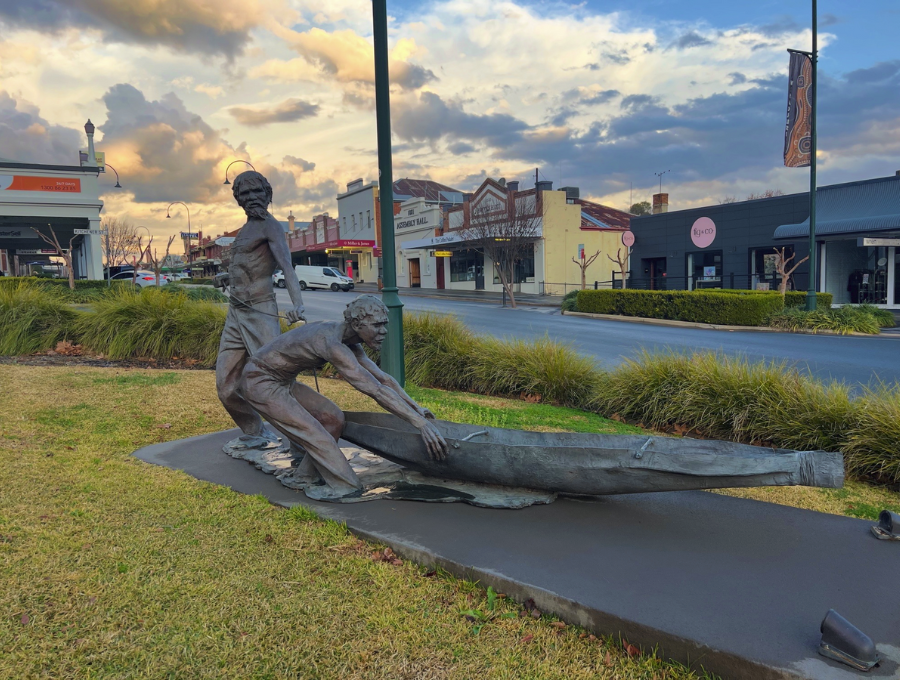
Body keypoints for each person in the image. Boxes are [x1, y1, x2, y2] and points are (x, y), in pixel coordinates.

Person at [239, 295, 448, 500]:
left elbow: (383, 380)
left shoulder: (349, 340)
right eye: (377, 325)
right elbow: (374, 389)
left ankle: (304, 476)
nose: (383, 331)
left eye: (384, 324)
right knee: (315, 433)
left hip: (284, 380)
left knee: (332, 418)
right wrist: (419, 424)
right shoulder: (332, 342)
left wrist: (416, 409)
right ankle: (345, 486)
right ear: (357, 324)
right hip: (259, 382)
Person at [215, 171, 307, 452]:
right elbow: (248, 267)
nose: (252, 198)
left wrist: (298, 305)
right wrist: (225, 277)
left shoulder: (271, 227)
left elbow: (287, 267)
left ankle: (302, 439)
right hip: (236, 314)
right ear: (238, 200)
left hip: (261, 311)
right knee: (226, 386)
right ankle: (255, 432)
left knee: (274, 379)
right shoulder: (243, 231)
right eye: (245, 194)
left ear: (268, 195)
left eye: (257, 193)